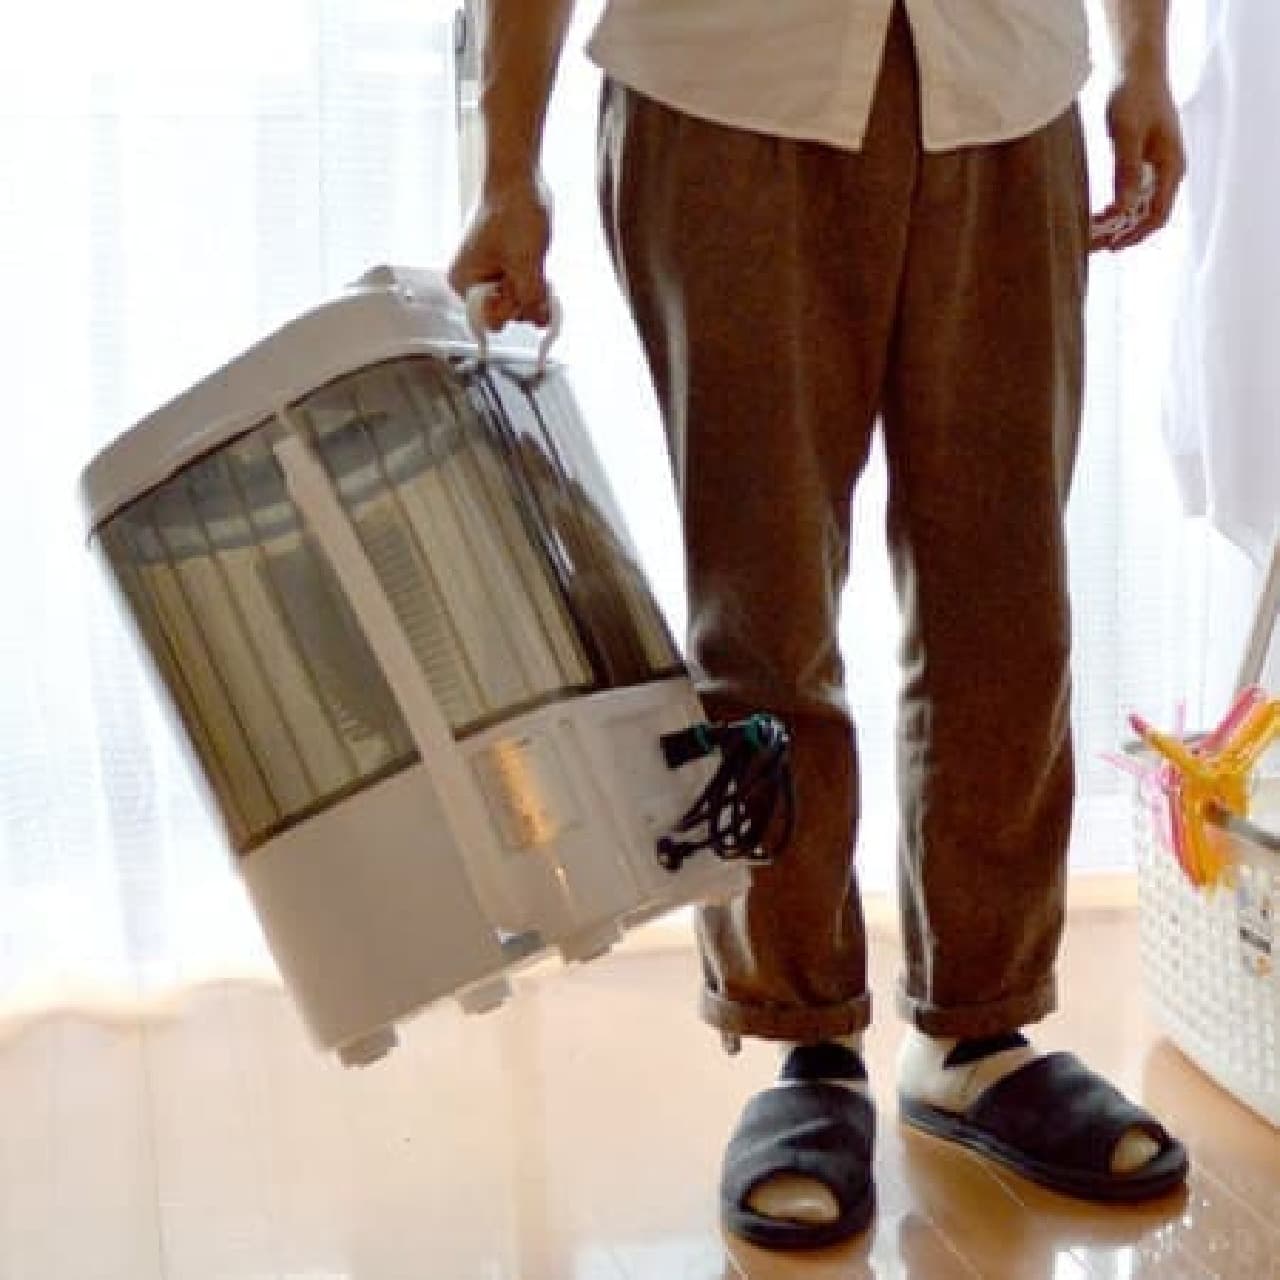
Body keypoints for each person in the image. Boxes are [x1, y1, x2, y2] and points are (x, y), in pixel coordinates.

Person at [449, 0, 1189, 1251]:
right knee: (761, 611)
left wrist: (1143, 65)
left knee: (1006, 604)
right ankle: (804, 1048)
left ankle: (977, 1031)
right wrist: (506, 167)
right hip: (729, 87)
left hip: (1004, 93)